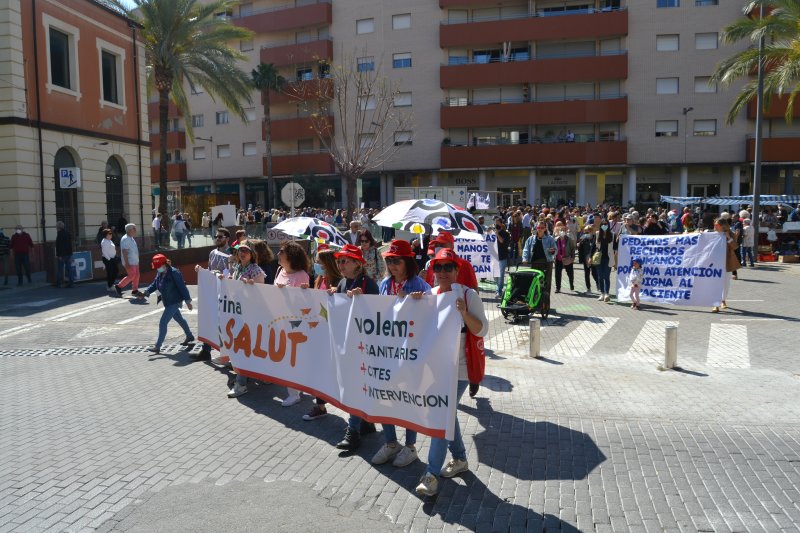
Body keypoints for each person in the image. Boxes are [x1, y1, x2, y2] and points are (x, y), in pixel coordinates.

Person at [415, 249, 488, 497]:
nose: (443, 272)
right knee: (447, 413)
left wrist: (464, 313)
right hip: (436, 368)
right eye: (438, 267)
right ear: (432, 271)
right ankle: (459, 458)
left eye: (448, 267)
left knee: (441, 412)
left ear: (457, 270)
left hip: (460, 369)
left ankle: (431, 474)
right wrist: (411, 302)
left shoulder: (468, 295)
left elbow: (481, 330)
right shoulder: (431, 295)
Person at [370, 240, 432, 468]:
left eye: (397, 261)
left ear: (408, 262)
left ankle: (410, 446)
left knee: (407, 399)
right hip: (386, 352)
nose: (392, 265)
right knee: (384, 397)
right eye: (389, 261)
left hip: (410, 354)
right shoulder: (385, 284)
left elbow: (432, 318)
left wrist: (420, 303)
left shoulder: (421, 286)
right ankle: (390, 442)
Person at [333, 244, 380, 451]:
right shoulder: (343, 282)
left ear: (357, 264)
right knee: (355, 384)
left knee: (355, 385)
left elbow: (377, 314)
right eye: (339, 261)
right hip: (348, 343)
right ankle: (365, 422)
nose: (341, 264)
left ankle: (353, 431)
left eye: (345, 261)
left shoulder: (368, 284)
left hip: (363, 345)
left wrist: (364, 299)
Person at [225, 241, 267, 398]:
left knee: (243, 348)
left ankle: (241, 383)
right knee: (245, 347)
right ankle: (262, 374)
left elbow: (262, 292)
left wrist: (251, 286)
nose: (242, 253)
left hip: (251, 315)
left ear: (252, 255)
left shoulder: (256, 270)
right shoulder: (236, 267)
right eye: (240, 250)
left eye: (245, 251)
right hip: (237, 313)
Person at [274, 240, 311, 407]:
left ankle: (294, 393)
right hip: (279, 320)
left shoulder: (302, 275)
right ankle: (296, 386)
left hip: (295, 323)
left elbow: (305, 303)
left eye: (281, 251)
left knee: (292, 357)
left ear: (291, 256)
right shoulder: (280, 271)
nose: (278, 254)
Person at [137, 254, 194, 354]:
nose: (157, 269)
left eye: (158, 266)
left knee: (163, 322)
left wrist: (188, 302)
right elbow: (154, 284)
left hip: (174, 301)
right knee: (179, 319)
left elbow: (182, 287)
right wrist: (145, 293)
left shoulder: (174, 273)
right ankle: (189, 336)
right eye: (156, 267)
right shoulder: (160, 273)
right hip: (167, 301)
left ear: (164, 264)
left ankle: (157, 346)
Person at [194, 228, 232, 361]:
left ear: (227, 238)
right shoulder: (212, 253)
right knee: (209, 318)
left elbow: (233, 273)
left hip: (226, 292)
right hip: (213, 290)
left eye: (220, 237)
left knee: (224, 323)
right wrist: (201, 271)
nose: (217, 238)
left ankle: (227, 354)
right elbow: (210, 271)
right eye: (216, 236)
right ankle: (206, 350)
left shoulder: (232, 253)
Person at [521, 221, 556, 315]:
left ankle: (545, 305)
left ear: (545, 229)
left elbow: (555, 250)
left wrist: (552, 251)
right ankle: (535, 304)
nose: (540, 229)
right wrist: (524, 259)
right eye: (538, 228)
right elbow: (526, 249)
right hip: (534, 263)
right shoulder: (531, 239)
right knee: (534, 284)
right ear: (536, 228)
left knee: (546, 285)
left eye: (542, 228)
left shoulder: (550, 239)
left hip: (546, 263)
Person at [711, 217, 738, 313]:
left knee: (725, 283)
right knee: (715, 283)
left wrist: (728, 238)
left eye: (717, 225)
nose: (715, 226)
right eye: (714, 224)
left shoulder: (731, 234)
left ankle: (723, 300)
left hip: (727, 262)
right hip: (714, 263)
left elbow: (735, 247)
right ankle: (715, 304)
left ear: (723, 226)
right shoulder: (712, 234)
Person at [115, 224, 142, 297]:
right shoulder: (125, 239)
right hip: (130, 261)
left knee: (136, 275)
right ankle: (119, 286)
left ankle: (135, 290)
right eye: (134, 228)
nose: (135, 230)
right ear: (129, 230)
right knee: (132, 275)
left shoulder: (131, 238)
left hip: (134, 261)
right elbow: (124, 251)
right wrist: (127, 263)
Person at [595, 221, 615, 302]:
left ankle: (607, 294)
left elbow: (615, 247)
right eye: (602, 224)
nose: (604, 226)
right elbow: (594, 245)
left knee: (606, 276)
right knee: (600, 276)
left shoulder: (612, 234)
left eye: (606, 224)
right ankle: (602, 293)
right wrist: (590, 257)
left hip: (608, 258)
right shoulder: (597, 234)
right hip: (599, 258)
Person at [553, 221, 575, 293]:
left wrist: (572, 258)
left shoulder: (568, 240)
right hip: (558, 259)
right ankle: (558, 288)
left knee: (570, 273)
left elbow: (572, 248)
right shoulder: (555, 240)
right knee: (557, 274)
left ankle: (571, 284)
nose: (562, 232)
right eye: (560, 231)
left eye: (563, 230)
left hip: (567, 258)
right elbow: (553, 249)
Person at [577, 225, 598, 294]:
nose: (586, 234)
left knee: (594, 273)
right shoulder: (583, 239)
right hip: (585, 258)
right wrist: (579, 244)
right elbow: (580, 249)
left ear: (592, 231)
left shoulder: (595, 238)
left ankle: (599, 285)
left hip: (593, 258)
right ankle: (588, 288)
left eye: (588, 232)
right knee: (586, 273)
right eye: (585, 232)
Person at [494, 218, 511, 298]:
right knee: (494, 275)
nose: (496, 224)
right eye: (495, 223)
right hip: (494, 257)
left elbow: (502, 241)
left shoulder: (505, 234)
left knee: (500, 275)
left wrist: (497, 234)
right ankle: (498, 288)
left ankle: (499, 291)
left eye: (497, 223)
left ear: (501, 224)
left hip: (502, 256)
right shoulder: (492, 233)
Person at [55, 221, 74, 288]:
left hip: (62, 255)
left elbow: (59, 246)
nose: (56, 227)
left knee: (60, 269)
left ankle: (58, 283)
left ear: (58, 227)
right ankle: (71, 282)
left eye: (56, 226)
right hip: (68, 253)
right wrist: (71, 254)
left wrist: (59, 255)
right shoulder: (68, 233)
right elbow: (70, 244)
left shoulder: (59, 234)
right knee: (69, 268)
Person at [100, 229, 119, 295]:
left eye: (111, 233)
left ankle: (111, 284)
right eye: (109, 234)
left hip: (112, 258)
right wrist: (109, 259)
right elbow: (104, 252)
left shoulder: (109, 240)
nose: (111, 235)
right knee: (110, 272)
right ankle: (110, 286)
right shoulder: (104, 242)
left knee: (115, 271)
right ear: (105, 235)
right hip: (108, 259)